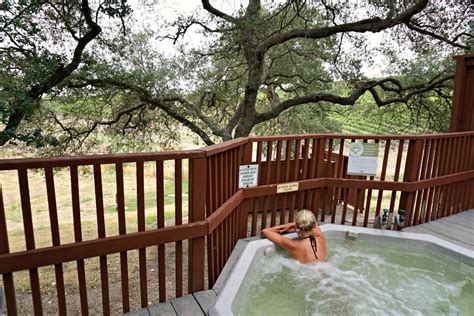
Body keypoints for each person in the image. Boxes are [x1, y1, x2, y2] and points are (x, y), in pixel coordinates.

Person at [261, 209, 327, 264]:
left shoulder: (293, 245)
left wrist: (288, 225)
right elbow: (313, 218)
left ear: (297, 226)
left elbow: (265, 231)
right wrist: (293, 225)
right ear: (314, 226)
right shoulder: (320, 236)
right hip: (327, 269)